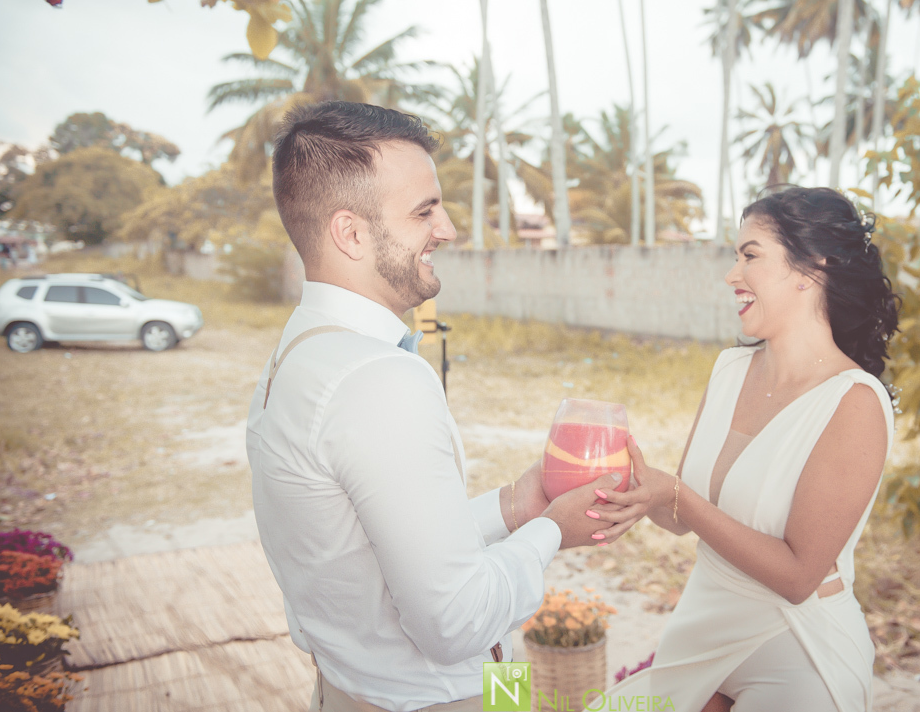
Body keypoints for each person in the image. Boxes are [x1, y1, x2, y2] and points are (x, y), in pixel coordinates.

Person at [245, 101, 650, 712]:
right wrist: (550, 532)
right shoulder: (377, 380)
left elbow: (377, 553)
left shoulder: (298, 355)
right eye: (424, 211)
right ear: (350, 233)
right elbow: (455, 622)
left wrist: (514, 506)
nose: (449, 228)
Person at [598, 185, 901, 712]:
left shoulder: (854, 402)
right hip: (705, 624)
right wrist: (635, 488)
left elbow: (798, 576)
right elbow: (678, 518)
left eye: (750, 255)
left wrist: (677, 497)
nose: (731, 274)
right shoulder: (729, 370)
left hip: (799, 645)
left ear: (812, 269)